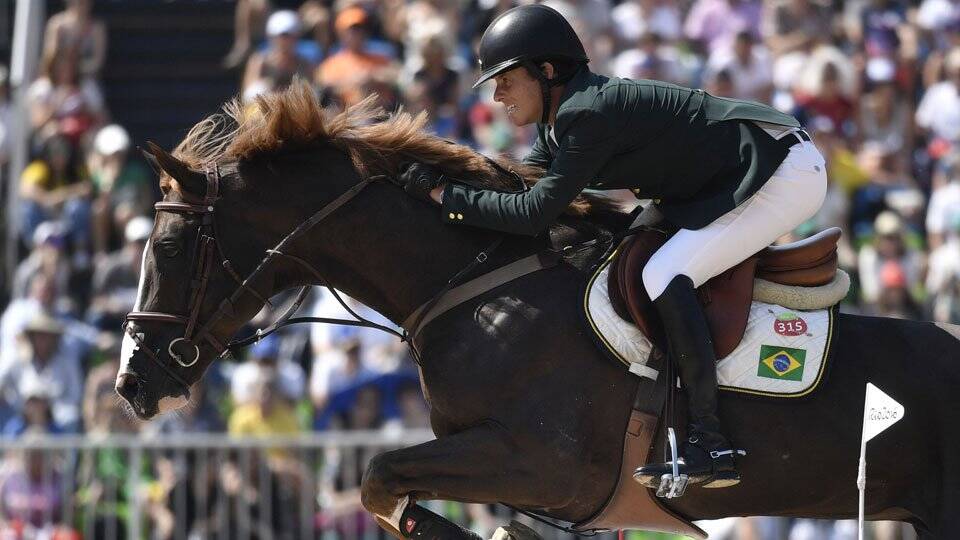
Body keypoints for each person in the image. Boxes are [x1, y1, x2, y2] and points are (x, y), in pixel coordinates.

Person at [395, 4, 827, 491]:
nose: (497, 96)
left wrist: (442, 195)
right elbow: (519, 187)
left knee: (662, 274)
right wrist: (448, 181)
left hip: (778, 171)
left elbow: (536, 212)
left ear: (547, 71)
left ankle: (712, 442)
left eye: (506, 81)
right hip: (724, 179)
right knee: (624, 254)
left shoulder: (587, 112)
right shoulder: (559, 118)